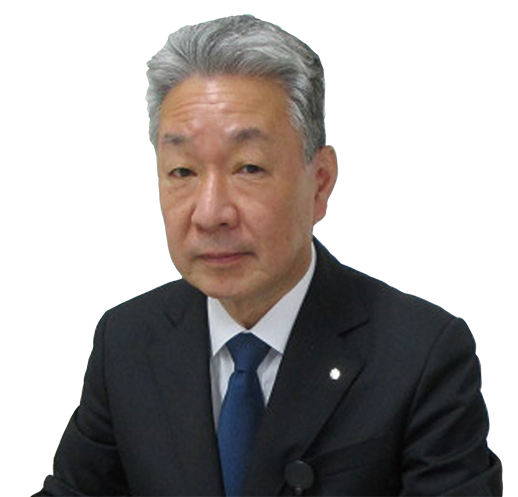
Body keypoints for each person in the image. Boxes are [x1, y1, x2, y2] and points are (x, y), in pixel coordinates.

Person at [35, 15, 501, 497]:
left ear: (319, 183)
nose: (210, 213)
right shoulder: (127, 341)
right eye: (182, 172)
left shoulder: (421, 354)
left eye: (249, 168)